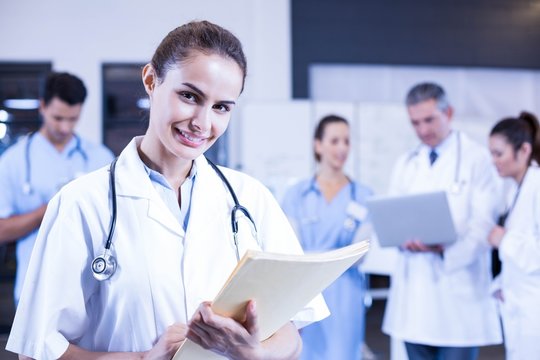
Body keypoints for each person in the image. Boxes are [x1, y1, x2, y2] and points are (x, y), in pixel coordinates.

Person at [6, 20, 328, 360]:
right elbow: (38, 352)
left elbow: (293, 329)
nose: (203, 123)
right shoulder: (81, 203)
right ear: (151, 80)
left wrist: (255, 353)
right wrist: (144, 358)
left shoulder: (250, 198)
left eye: (221, 107)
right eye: (189, 96)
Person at [381, 82, 502, 360]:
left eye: (429, 120)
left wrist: (444, 249)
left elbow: (483, 226)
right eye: (415, 123)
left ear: (449, 113)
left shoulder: (477, 159)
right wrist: (402, 241)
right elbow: (392, 217)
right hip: (415, 301)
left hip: (459, 297)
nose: (423, 130)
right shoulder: (406, 163)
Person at [0, 71, 114, 305]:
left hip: (90, 290)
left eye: (73, 119)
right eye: (58, 118)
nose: (65, 127)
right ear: (42, 106)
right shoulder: (14, 161)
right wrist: (50, 208)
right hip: (34, 290)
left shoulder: (100, 158)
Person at [281, 115, 373, 360]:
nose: (342, 148)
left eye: (346, 141)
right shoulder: (296, 195)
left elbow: (360, 253)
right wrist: (336, 255)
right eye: (334, 141)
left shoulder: (363, 196)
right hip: (304, 291)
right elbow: (290, 250)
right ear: (318, 145)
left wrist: (315, 256)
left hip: (346, 296)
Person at [487, 112, 540, 359]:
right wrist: (501, 284)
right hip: (519, 308)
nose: (493, 161)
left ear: (524, 150)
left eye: (499, 153)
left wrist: (503, 240)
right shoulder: (514, 190)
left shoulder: (537, 187)